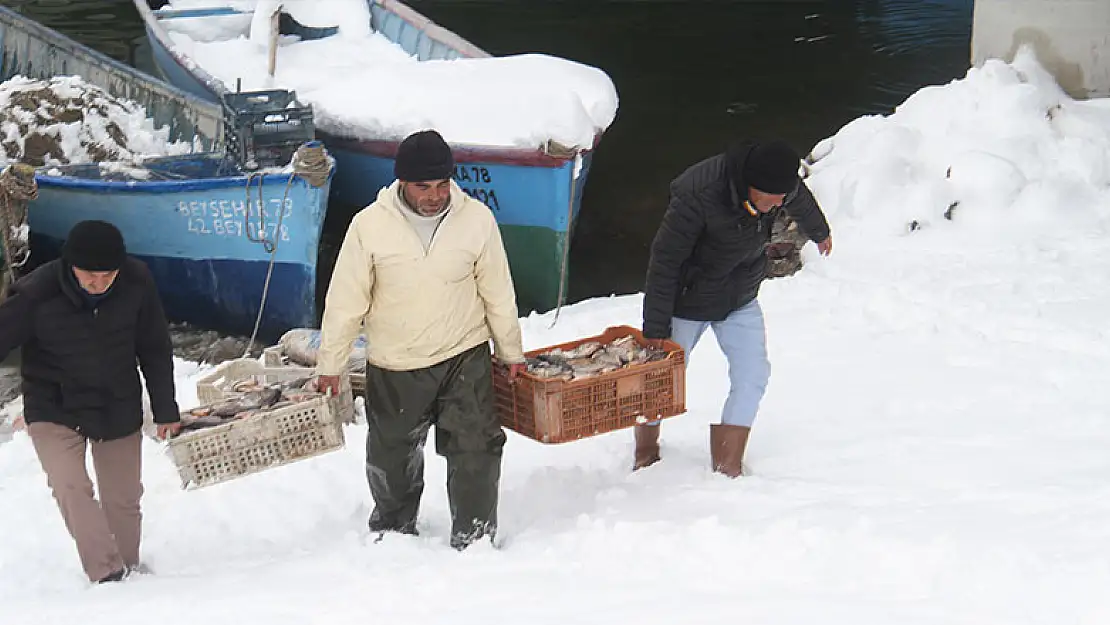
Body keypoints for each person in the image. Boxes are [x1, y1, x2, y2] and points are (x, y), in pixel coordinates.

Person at [314, 129, 526, 550]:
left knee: (476, 446)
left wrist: (510, 352)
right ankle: (394, 531)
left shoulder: (476, 219)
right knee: (392, 454)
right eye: (423, 186)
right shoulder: (369, 226)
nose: (434, 195)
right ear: (402, 183)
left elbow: (498, 291)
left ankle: (475, 535)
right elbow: (345, 301)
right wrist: (330, 364)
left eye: (442, 184)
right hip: (397, 361)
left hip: (463, 353)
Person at [0, 220, 182, 583]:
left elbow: (155, 348)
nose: (98, 284)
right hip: (53, 405)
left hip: (116, 401)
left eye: (107, 276)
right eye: (89, 276)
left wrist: (165, 408)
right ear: (70, 266)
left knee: (123, 498)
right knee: (70, 486)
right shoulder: (36, 293)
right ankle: (107, 573)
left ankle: (128, 568)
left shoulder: (137, 281)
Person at [639, 139, 833, 477]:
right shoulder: (698, 194)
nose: (778, 205)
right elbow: (664, 262)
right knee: (661, 378)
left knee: (754, 373)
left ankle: (728, 464)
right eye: (773, 198)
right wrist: (656, 331)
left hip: (739, 294)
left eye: (782, 198)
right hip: (688, 298)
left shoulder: (776, 182)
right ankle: (646, 452)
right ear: (751, 185)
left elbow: (796, 195)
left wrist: (819, 231)